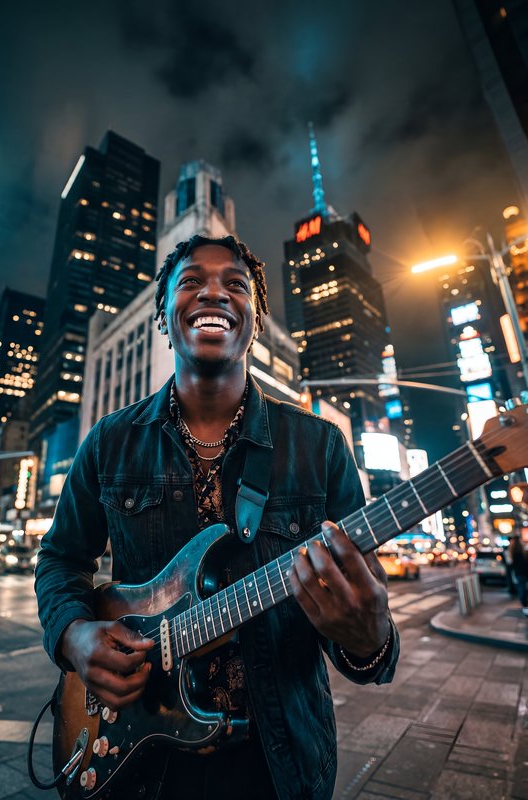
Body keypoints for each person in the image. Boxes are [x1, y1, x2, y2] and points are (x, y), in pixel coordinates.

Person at [35, 234, 399, 800]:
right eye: (190, 283)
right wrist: (75, 634)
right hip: (140, 764)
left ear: (255, 318)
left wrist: (369, 636)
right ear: (163, 317)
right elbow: (61, 558)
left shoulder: (321, 447)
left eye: (235, 284)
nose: (214, 294)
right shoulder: (108, 442)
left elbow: (368, 650)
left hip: (277, 767)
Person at [508, 534, 528, 614]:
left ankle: (525, 605)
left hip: (519, 574)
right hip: (526, 573)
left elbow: (511, 565)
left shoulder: (513, 553)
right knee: (524, 589)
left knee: (522, 589)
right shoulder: (525, 552)